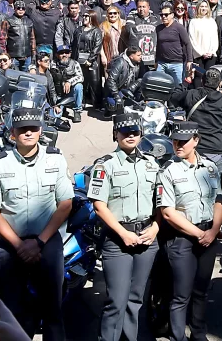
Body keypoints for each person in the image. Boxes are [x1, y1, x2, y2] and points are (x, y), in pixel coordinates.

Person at [0, 109, 72, 340]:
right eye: (22, 129)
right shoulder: (0, 164)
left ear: (41, 130)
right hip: (12, 244)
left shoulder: (56, 159)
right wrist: (20, 245)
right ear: (12, 132)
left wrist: (39, 242)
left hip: (47, 241)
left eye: (33, 128)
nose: (28, 132)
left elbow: (65, 204)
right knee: (10, 312)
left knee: (53, 311)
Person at [88, 115, 162, 341]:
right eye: (125, 132)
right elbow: (99, 206)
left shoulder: (152, 164)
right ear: (115, 135)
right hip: (118, 239)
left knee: (135, 299)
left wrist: (156, 228)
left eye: (135, 132)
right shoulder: (105, 165)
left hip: (147, 237)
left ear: (141, 135)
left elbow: (162, 202)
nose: (130, 136)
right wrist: (123, 233)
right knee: (117, 301)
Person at [157, 123, 222, 341]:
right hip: (182, 239)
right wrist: (199, 234)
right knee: (181, 295)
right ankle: (178, 336)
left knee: (201, 290)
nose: (178, 145)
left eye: (183, 141)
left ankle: (199, 334)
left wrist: (214, 230)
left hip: (209, 235)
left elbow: (219, 200)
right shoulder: (168, 170)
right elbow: (167, 212)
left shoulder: (210, 168)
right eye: (175, 140)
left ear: (196, 140)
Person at [170, 68, 222, 174]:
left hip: (193, 150)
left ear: (202, 81)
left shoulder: (191, 95)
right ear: (220, 83)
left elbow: (173, 96)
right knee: (218, 187)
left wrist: (186, 81)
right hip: (216, 153)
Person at [156, 4, 194, 85]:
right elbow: (158, 46)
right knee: (159, 85)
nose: (163, 17)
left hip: (177, 63)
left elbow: (187, 43)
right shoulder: (158, 28)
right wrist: (156, 60)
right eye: (161, 15)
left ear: (172, 15)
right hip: (162, 63)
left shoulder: (179, 27)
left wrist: (189, 60)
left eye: (166, 15)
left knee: (178, 86)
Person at [76, 11, 105, 108]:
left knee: (94, 82)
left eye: (86, 16)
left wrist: (91, 59)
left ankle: (97, 104)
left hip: (91, 60)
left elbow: (97, 46)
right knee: (81, 81)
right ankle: (81, 101)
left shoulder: (96, 31)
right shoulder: (79, 29)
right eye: (83, 16)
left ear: (92, 18)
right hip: (79, 58)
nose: (84, 18)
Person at [104, 48, 144, 114]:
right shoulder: (120, 62)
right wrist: (116, 95)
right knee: (113, 105)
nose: (141, 57)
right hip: (118, 89)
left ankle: (135, 105)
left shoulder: (140, 63)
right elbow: (111, 80)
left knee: (143, 87)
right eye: (138, 55)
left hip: (129, 88)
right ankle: (107, 106)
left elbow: (143, 77)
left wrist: (134, 86)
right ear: (131, 56)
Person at [51, 45, 84, 122]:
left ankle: (77, 111)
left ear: (69, 54)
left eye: (66, 52)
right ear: (57, 55)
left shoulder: (75, 63)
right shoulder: (52, 64)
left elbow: (81, 77)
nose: (64, 55)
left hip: (69, 95)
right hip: (57, 95)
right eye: (61, 53)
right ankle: (62, 108)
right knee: (56, 117)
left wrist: (69, 82)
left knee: (79, 86)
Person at [188, 0, 219, 72]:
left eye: (205, 6)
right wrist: (201, 53)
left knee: (209, 77)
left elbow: (215, 39)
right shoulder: (193, 21)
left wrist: (211, 51)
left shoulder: (212, 21)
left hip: (211, 55)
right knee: (199, 75)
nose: (204, 8)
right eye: (202, 6)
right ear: (198, 8)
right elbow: (192, 39)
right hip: (198, 56)